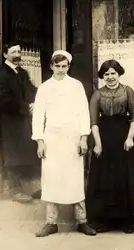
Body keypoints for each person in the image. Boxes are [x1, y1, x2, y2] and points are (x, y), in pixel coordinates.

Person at [32, 50, 97, 237]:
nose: (60, 70)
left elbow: (84, 112)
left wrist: (84, 138)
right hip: (52, 138)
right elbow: (38, 116)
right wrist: (40, 141)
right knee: (52, 179)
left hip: (72, 138)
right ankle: (51, 222)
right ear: (51, 66)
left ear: (68, 66)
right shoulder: (44, 87)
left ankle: (82, 221)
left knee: (75, 179)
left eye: (64, 66)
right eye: (57, 66)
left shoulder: (76, 86)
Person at [86, 59, 134, 234]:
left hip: (124, 137)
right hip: (104, 136)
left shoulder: (127, 91)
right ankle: (104, 220)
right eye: (107, 74)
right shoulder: (97, 94)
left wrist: (130, 138)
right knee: (104, 178)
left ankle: (126, 220)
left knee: (124, 176)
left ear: (119, 74)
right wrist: (98, 144)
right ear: (103, 76)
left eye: (113, 73)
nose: (110, 77)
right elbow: (93, 122)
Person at [0, 42, 40, 203]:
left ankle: (30, 188)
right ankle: (15, 189)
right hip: (11, 122)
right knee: (13, 154)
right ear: (5, 55)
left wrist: (39, 101)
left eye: (19, 51)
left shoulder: (22, 73)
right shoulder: (0, 75)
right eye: (13, 52)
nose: (17, 54)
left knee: (27, 150)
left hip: (25, 121)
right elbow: (4, 101)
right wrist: (27, 108)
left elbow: (32, 90)